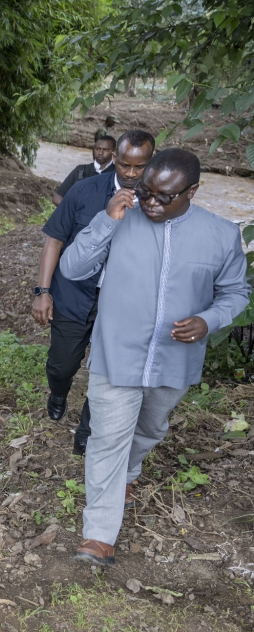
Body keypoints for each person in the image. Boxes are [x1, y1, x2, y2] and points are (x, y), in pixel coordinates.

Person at [59, 148, 249, 566]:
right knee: (107, 439)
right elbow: (72, 268)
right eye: (145, 191)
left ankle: (129, 473)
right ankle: (99, 536)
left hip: (174, 360)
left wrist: (208, 319)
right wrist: (107, 221)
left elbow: (236, 292)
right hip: (116, 353)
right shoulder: (120, 217)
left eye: (164, 196)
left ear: (192, 192)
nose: (151, 203)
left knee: (149, 429)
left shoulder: (220, 234)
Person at [33, 129, 154, 455]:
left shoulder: (156, 203)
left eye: (139, 167)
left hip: (121, 303)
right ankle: (58, 392)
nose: (130, 173)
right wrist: (42, 291)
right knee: (62, 363)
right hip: (73, 293)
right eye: (125, 164)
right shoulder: (84, 190)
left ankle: (87, 429)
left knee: (106, 368)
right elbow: (54, 239)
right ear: (115, 158)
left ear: (149, 163)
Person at [51, 135, 116, 206]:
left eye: (105, 150)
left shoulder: (117, 173)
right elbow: (57, 198)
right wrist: (73, 211)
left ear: (114, 151)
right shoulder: (80, 171)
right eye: (97, 149)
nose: (100, 153)